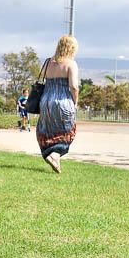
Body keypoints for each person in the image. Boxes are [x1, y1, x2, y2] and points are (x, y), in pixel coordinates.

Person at [36, 35, 79, 174]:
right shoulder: (71, 64)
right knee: (68, 131)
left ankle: (53, 158)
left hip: (45, 101)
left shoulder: (48, 62)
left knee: (48, 130)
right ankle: (55, 154)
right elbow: (74, 86)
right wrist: (75, 102)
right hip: (63, 101)